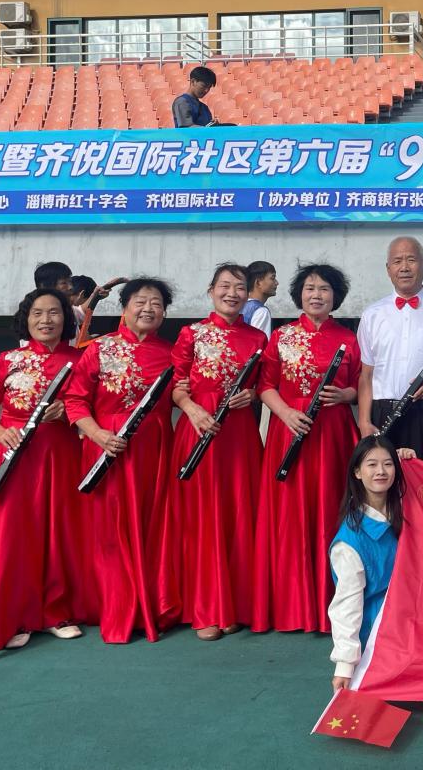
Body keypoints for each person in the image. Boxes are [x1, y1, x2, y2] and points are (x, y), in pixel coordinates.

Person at [0, 288, 86, 654]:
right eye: (37, 313)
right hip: (11, 454)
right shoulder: (8, 359)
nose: (46, 320)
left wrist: (68, 411)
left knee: (57, 530)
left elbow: (93, 404)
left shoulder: (81, 359)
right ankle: (14, 614)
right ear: (26, 319)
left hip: (59, 454)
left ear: (66, 319)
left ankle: (56, 612)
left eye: (54, 312)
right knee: (12, 535)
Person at [64, 277, 181, 645]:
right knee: (109, 531)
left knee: (151, 527)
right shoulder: (99, 349)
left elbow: (184, 394)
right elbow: (75, 401)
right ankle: (115, 608)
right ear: (125, 308)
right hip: (106, 449)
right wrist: (98, 435)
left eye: (156, 303)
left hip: (154, 452)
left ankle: (152, 603)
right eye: (140, 302)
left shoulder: (172, 353)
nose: (148, 309)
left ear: (165, 313)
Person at [254, 263, 361, 635]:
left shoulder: (348, 338)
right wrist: (286, 413)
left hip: (333, 434)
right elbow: (265, 385)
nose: (317, 295)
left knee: (331, 510)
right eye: (310, 288)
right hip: (290, 430)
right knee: (289, 515)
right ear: (299, 294)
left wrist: (345, 395)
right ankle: (292, 606)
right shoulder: (281, 336)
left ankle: (332, 604)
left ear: (336, 296)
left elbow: (361, 385)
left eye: (324, 289)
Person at [170, 264, 266, 641]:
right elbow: (175, 386)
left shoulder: (258, 338)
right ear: (211, 291)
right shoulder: (190, 334)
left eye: (239, 287)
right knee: (201, 517)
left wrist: (252, 394)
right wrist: (192, 409)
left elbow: (265, 384)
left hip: (239, 436)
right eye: (224, 286)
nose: (232, 293)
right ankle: (205, 608)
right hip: (199, 430)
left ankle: (236, 604)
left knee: (237, 512)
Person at [356, 237, 423, 472]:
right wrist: (364, 421)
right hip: (383, 413)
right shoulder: (372, 314)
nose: (404, 267)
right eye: (397, 261)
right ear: (388, 269)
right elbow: (366, 375)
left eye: (411, 260)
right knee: (384, 483)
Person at [329, 436, 404, 690]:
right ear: (357, 472)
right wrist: (345, 665)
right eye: (372, 464)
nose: (381, 471)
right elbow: (347, 605)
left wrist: (411, 463)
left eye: (388, 464)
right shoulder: (349, 542)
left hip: (408, 616)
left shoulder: (405, 512)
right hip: (379, 631)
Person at [72, 275, 128, 348]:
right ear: (81, 295)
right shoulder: (69, 312)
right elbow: (82, 310)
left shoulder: (74, 319)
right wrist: (94, 296)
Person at [242, 261, 278, 335]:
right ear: (258, 283)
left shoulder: (238, 307)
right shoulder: (261, 311)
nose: (277, 283)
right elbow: (260, 341)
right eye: (272, 278)